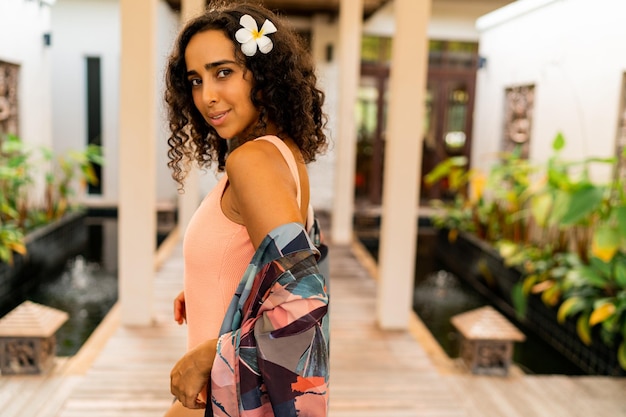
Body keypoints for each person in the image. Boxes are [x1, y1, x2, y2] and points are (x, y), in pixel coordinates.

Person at [162, 2, 329, 417]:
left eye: (223, 72)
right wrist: (213, 282)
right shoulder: (284, 155)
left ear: (264, 74)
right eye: (195, 80)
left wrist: (207, 356)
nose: (207, 96)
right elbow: (277, 260)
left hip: (220, 399)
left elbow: (301, 306)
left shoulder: (252, 162)